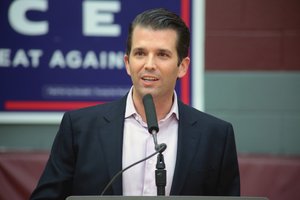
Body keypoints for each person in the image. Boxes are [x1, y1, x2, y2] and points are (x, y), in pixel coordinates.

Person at [30, 8, 240, 199]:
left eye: (162, 55)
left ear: (182, 67)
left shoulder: (216, 136)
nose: (149, 65)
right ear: (127, 63)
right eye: (140, 53)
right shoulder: (79, 127)